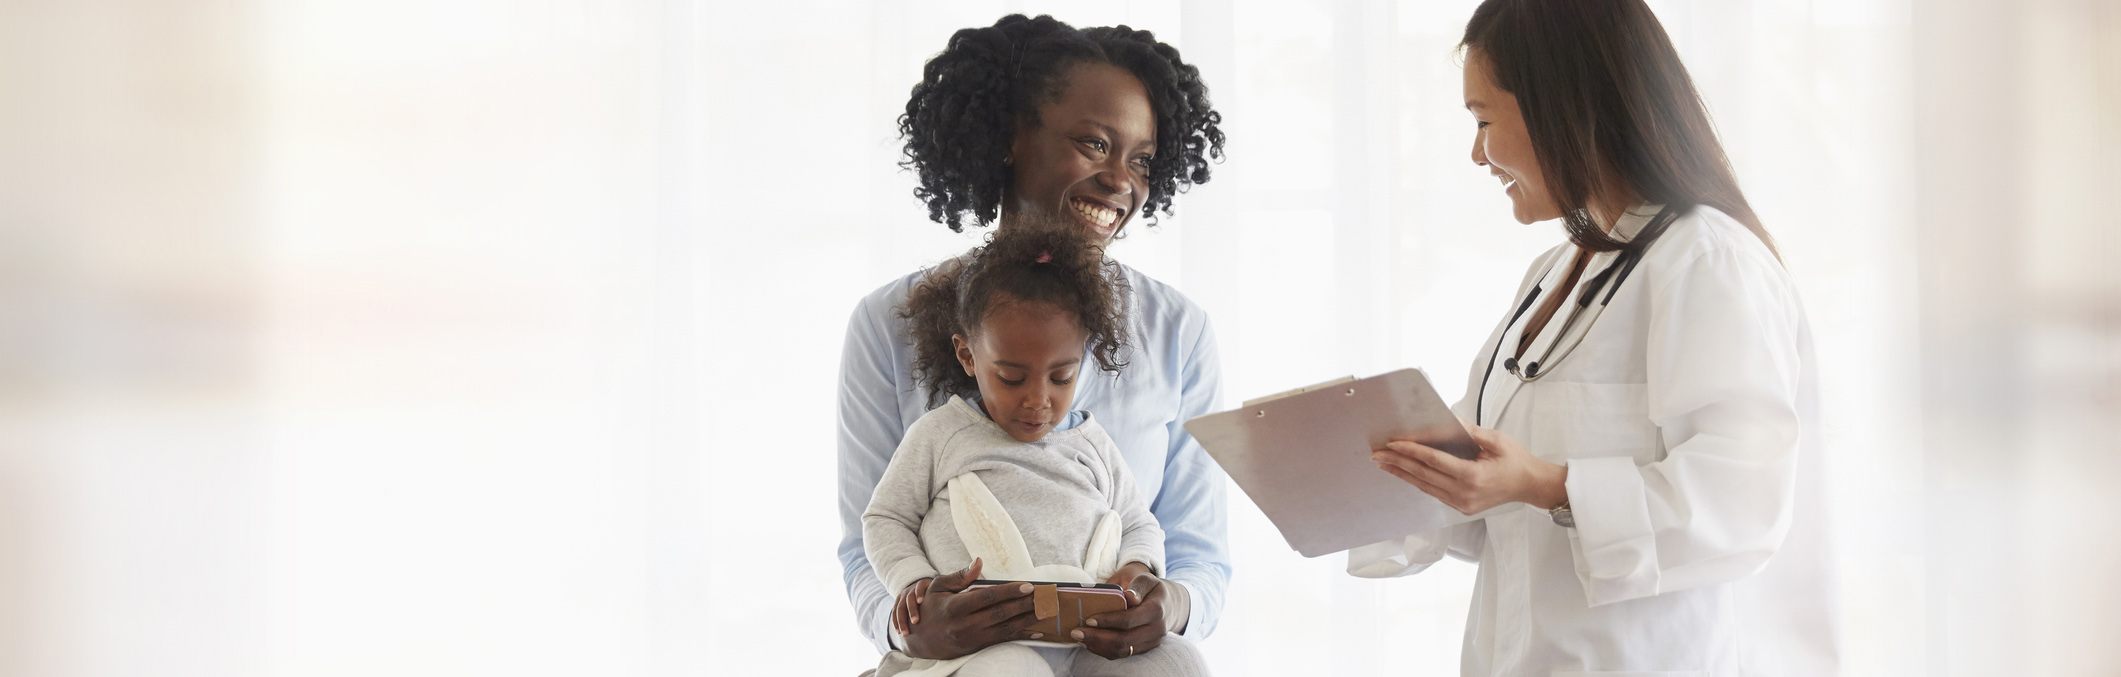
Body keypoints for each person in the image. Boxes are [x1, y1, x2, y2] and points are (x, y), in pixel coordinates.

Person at [1356, 0, 1839, 675]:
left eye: (1483, 120)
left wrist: (1548, 484)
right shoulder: (1553, 271)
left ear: (1563, 106)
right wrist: (1391, 468)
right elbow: (1497, 494)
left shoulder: (1705, 260)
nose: (1475, 154)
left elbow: (1742, 501)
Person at [837, 13, 1231, 666]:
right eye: (1094, 144)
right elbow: (867, 539)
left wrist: (1170, 604)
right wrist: (907, 624)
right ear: (1010, 137)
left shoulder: (1176, 331)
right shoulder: (889, 322)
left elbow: (1197, 549)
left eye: (1141, 160)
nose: (1120, 182)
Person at [864, 225, 1209, 677]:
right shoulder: (942, 434)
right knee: (1010, 670)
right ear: (968, 356)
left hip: (1091, 639)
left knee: (1177, 663)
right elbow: (885, 518)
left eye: (1061, 377)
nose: (1038, 400)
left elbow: (1139, 522)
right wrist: (914, 583)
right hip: (981, 646)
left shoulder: (1093, 444)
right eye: (1011, 378)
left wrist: (1138, 567)